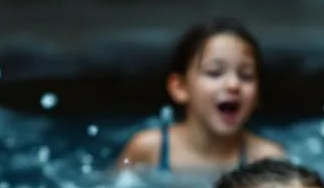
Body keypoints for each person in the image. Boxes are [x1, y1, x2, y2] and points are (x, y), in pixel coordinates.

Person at [117, 19, 285, 173]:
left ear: (257, 95)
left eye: (246, 76)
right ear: (180, 88)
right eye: (215, 73)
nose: (233, 85)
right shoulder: (148, 148)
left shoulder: (266, 159)